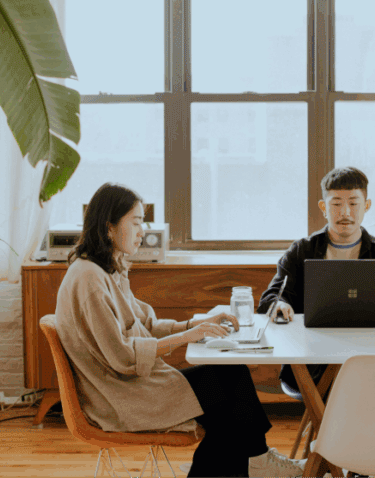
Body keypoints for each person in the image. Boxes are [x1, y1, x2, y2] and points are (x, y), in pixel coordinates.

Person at [54, 182, 306, 478]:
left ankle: (255, 460)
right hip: (118, 398)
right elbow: (122, 356)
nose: (142, 232)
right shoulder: (89, 280)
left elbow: (146, 326)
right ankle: (256, 461)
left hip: (132, 386)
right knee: (226, 391)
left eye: (142, 223)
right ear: (109, 227)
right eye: (135, 223)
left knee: (227, 385)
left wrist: (193, 325)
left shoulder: (107, 270)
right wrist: (187, 337)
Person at [257, 166, 375, 392]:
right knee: (349, 383)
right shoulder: (302, 250)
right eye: (336, 204)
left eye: (353, 203)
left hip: (369, 355)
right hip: (312, 357)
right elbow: (270, 298)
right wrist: (279, 304)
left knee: (364, 379)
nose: (345, 213)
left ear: (366, 206)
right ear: (323, 207)